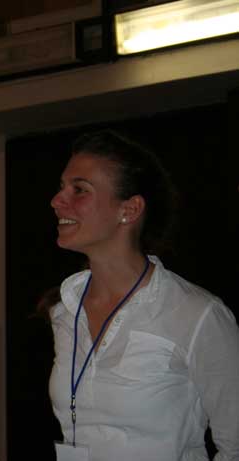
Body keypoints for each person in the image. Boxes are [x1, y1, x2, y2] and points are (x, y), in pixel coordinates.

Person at [46, 129, 239, 461]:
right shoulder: (65, 311)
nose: (56, 200)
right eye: (62, 187)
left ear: (130, 209)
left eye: (79, 189)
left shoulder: (196, 313)